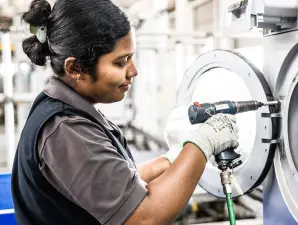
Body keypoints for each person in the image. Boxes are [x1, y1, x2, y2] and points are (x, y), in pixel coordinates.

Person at [11, 0, 240, 225]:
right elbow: (144, 218)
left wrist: (168, 162)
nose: (134, 71)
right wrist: (202, 145)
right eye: (121, 63)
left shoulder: (68, 110)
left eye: (131, 58)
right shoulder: (66, 130)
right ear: (75, 68)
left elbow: (107, 182)